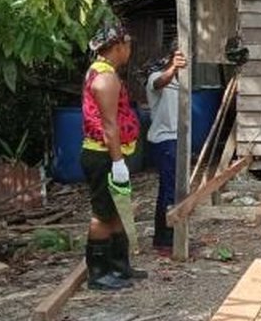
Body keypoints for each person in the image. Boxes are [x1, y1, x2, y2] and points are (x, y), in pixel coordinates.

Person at [80, 22, 147, 290]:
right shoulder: (105, 78)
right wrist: (118, 162)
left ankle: (120, 267)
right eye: (128, 46)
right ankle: (98, 273)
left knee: (119, 209)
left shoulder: (107, 72)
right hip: (104, 156)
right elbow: (109, 124)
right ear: (118, 47)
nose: (129, 50)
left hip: (116, 153)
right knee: (103, 214)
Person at [144, 48, 188, 257]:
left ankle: (166, 237)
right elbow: (159, 82)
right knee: (169, 190)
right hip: (164, 140)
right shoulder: (157, 77)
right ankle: (166, 239)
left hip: (176, 139)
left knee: (172, 189)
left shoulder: (180, 82)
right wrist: (173, 68)